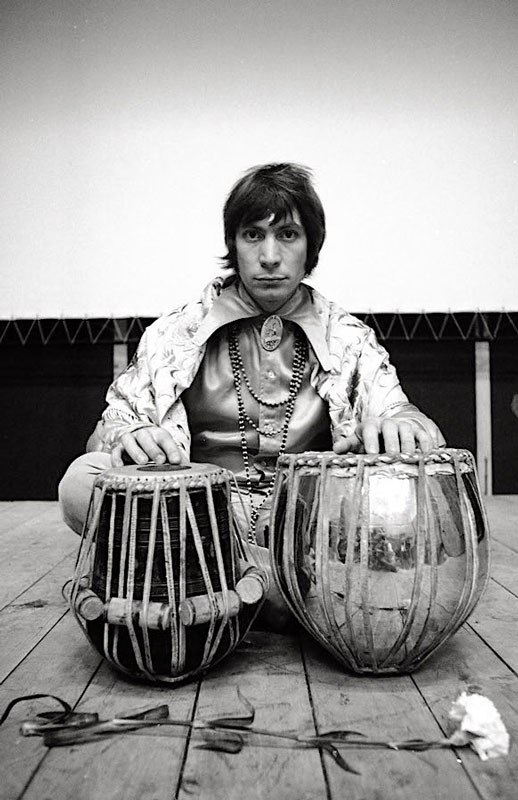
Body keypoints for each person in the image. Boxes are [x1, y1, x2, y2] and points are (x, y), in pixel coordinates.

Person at [59, 163, 444, 624]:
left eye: (287, 235)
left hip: (299, 514)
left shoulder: (347, 336)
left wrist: (403, 425)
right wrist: (129, 436)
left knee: (404, 496)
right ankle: (275, 585)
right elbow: (109, 432)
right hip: (195, 514)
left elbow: (401, 413)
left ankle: (220, 585)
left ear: (310, 248)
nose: (269, 256)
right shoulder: (178, 331)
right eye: (252, 235)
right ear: (233, 245)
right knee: (81, 482)